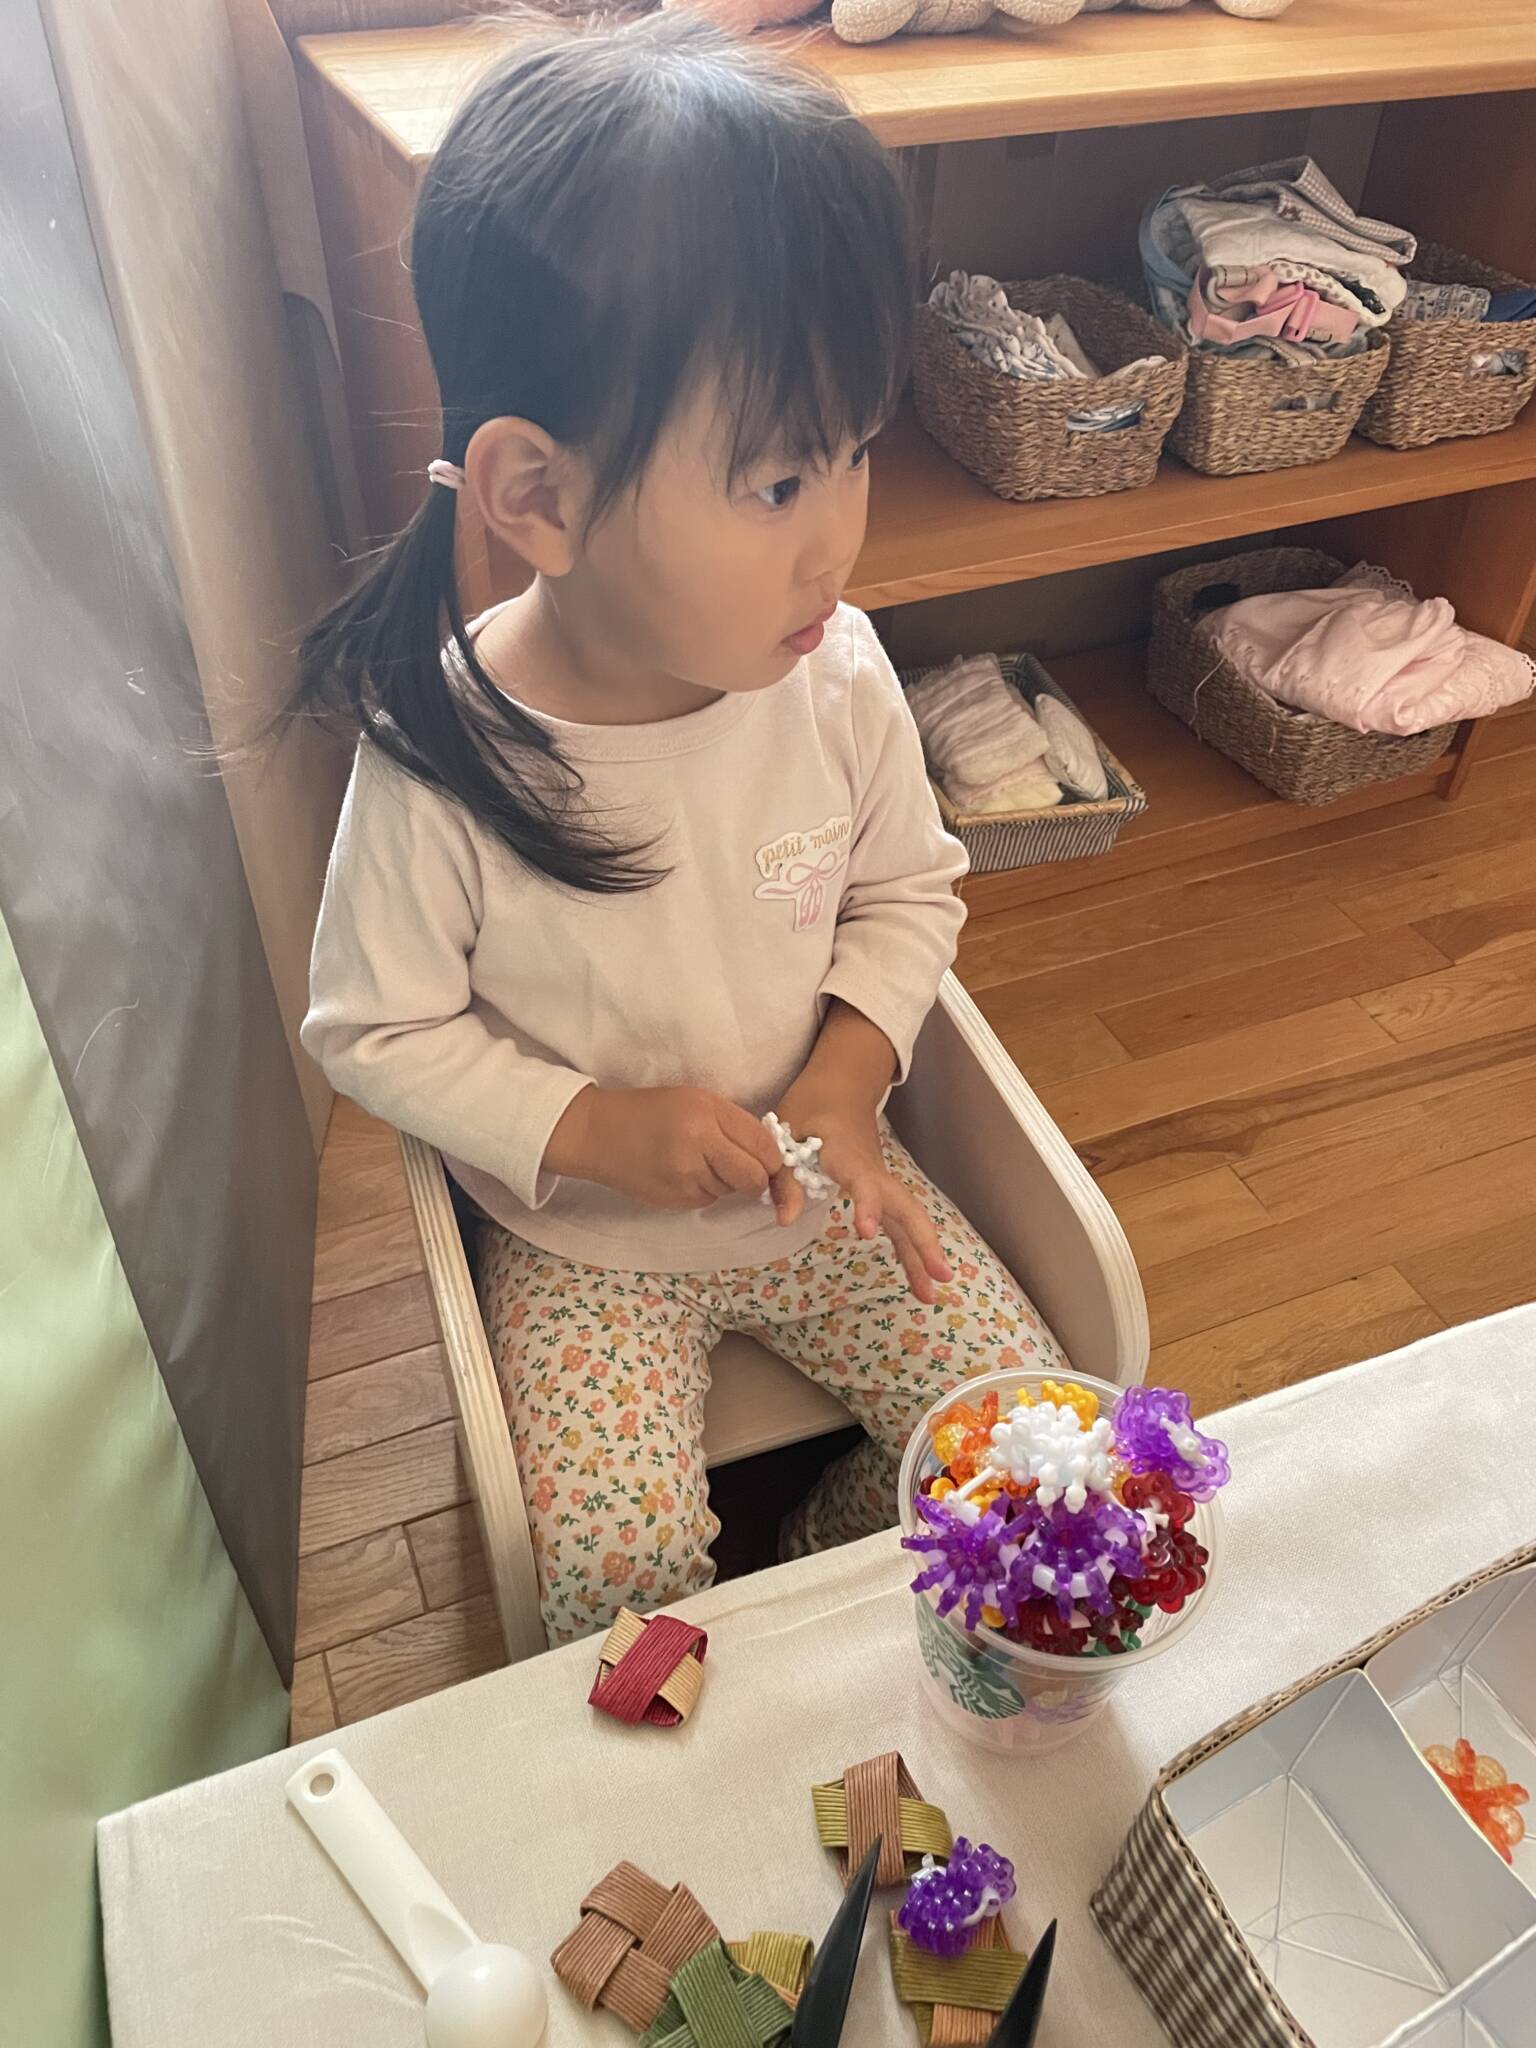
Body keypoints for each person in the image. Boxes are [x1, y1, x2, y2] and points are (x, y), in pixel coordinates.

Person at [299, 9, 1066, 1646]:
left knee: (1036, 1466)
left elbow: (910, 897)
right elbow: (371, 1028)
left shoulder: (836, 673)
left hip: (821, 1182)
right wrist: (590, 1128)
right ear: (538, 497)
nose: (836, 540)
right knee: (618, 1600)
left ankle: (821, 1561)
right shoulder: (444, 752)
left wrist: (848, 1085)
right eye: (778, 484)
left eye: (854, 453)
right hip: (585, 1244)